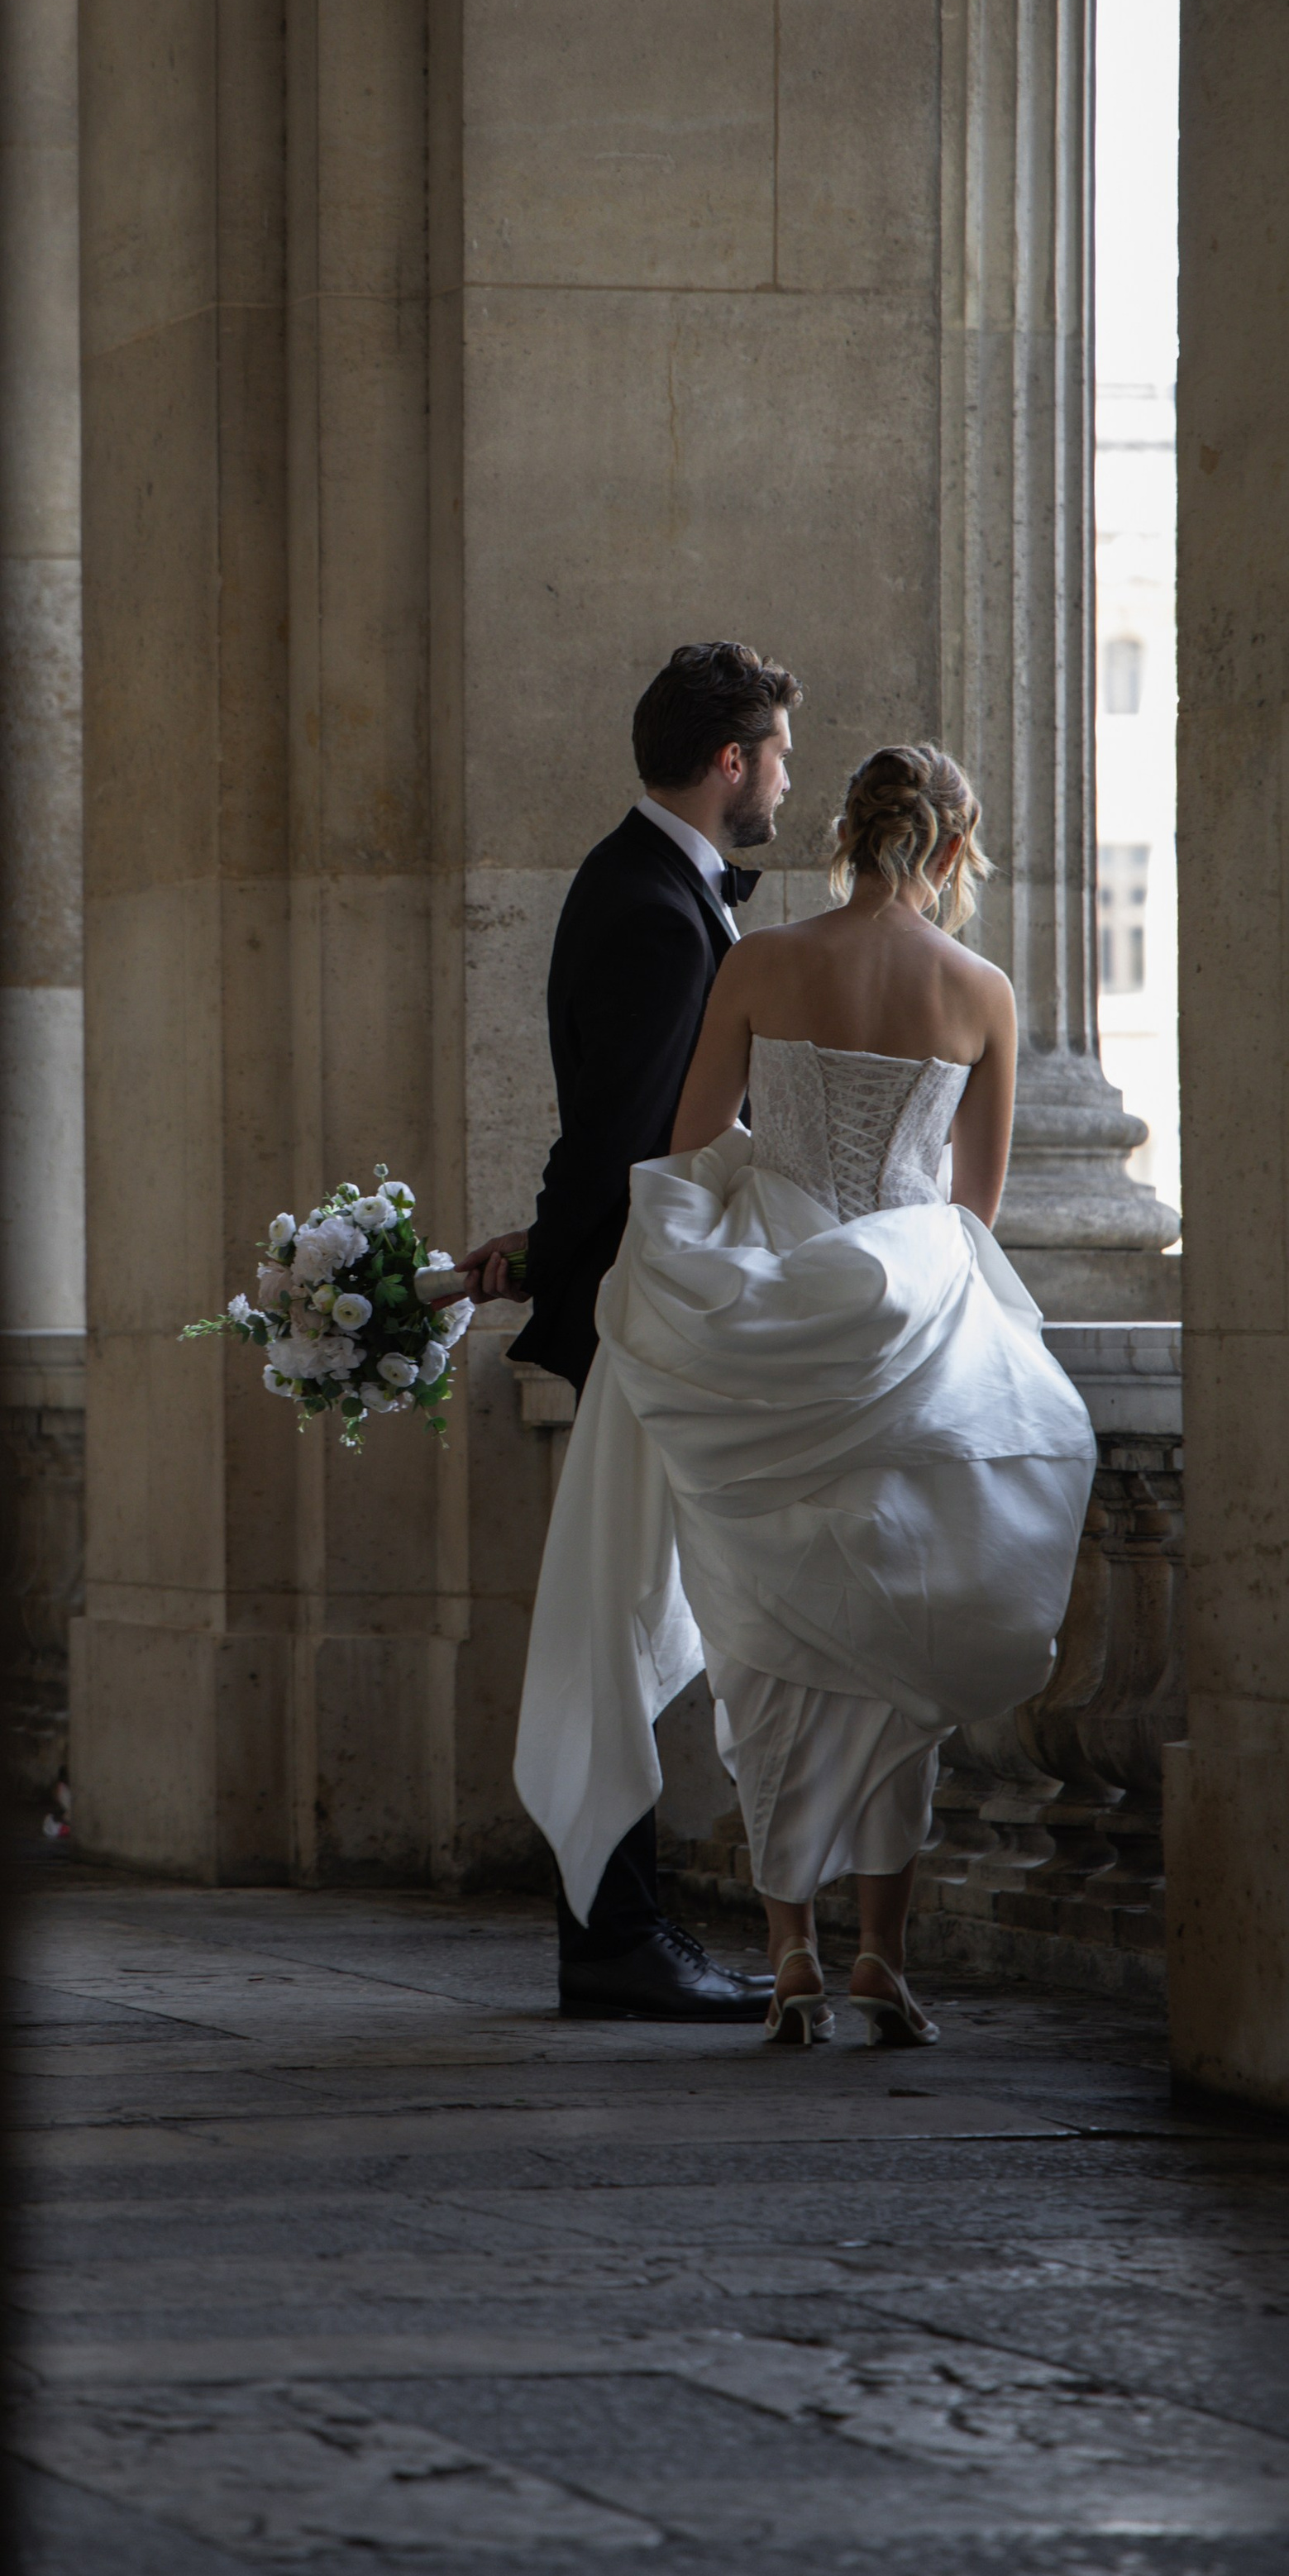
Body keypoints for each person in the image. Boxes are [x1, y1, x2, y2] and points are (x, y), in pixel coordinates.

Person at [512, 743, 1096, 2049]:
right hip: (910, 1339)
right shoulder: (983, 991)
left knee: (767, 1648)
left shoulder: (762, 964)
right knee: (897, 1653)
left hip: (765, 1323)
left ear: (844, 835)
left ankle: (791, 1958)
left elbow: (686, 1150)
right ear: (952, 852)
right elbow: (974, 1211)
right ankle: (884, 1954)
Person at [454, 640, 800, 2022]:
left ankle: (622, 1929)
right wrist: (558, 1274)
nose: (785, 777)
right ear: (731, 762)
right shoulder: (657, 909)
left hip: (643, 1300)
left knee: (637, 1623)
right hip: (649, 1319)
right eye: (777, 752)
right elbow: (624, 1142)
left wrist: (538, 1254)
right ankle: (615, 1937)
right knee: (620, 1628)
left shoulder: (640, 881)